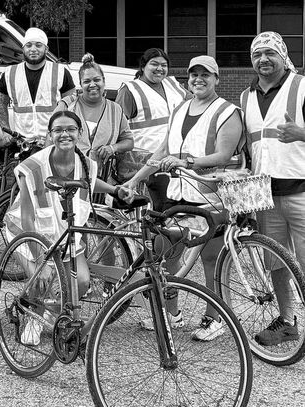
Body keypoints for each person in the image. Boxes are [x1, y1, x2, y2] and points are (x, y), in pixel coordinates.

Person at [124, 55, 244, 341]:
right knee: (166, 252)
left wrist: (187, 163)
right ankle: (173, 314)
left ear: (217, 79)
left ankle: (213, 318)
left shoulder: (228, 111)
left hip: (209, 196)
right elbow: (161, 151)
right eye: (194, 75)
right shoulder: (180, 109)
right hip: (177, 195)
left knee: (211, 260)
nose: (198, 79)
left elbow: (224, 155)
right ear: (188, 79)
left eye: (206, 74)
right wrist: (135, 179)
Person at [4, 110, 130, 345]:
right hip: (28, 233)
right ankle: (35, 316)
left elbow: (91, 182)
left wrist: (115, 190)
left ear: (79, 133)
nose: (65, 134)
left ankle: (52, 310)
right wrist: (39, 260)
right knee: (42, 279)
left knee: (81, 281)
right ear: (50, 134)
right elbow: (27, 218)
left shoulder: (86, 165)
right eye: (58, 130)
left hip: (65, 234)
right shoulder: (31, 167)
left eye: (71, 129)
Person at [241, 31, 303, 346]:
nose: (263, 59)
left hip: (302, 191)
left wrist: (302, 133)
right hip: (265, 194)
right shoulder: (245, 96)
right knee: (275, 262)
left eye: (270, 53)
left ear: (283, 55)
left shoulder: (302, 86)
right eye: (257, 54)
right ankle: (288, 321)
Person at [115, 48, 191, 211]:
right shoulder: (130, 90)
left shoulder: (172, 84)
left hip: (175, 160)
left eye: (164, 65)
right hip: (146, 164)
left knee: (178, 209)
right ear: (143, 67)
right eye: (154, 64)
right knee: (158, 211)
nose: (160, 69)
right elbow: (117, 128)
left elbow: (196, 102)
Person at [54, 53, 134, 179]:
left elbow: (129, 141)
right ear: (80, 84)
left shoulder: (115, 109)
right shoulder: (69, 106)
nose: (92, 85)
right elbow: (52, 140)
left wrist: (113, 148)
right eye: (87, 81)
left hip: (104, 179)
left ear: (103, 81)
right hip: (69, 177)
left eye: (97, 80)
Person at [0, 27, 76, 144]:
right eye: (29, 45)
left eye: (38, 45)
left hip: (53, 141)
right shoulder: (10, 73)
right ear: (23, 49)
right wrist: (5, 130)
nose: (33, 49)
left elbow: (72, 104)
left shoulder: (60, 72)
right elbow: (0, 104)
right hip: (23, 143)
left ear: (46, 49)